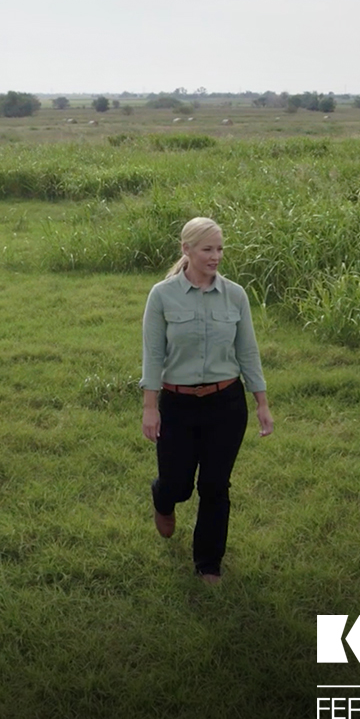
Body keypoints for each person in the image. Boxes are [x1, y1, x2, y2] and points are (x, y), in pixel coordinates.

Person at [140, 217, 273, 584]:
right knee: (177, 483)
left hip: (226, 405)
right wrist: (150, 408)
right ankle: (163, 499)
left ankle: (209, 564)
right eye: (207, 249)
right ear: (187, 250)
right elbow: (153, 356)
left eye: (220, 249)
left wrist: (261, 402)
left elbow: (248, 352)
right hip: (177, 405)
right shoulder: (162, 296)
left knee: (215, 485)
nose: (216, 256)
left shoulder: (236, 295)